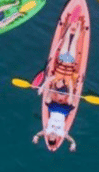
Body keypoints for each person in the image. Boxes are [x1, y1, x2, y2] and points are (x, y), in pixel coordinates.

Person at [32, 20, 85, 152]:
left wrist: (36, 137)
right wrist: (73, 144)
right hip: (63, 110)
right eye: (53, 138)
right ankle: (77, 26)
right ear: (56, 139)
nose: (51, 135)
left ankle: (71, 26)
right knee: (72, 45)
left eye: (49, 137)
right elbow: (70, 139)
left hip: (54, 106)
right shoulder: (62, 134)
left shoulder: (47, 131)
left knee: (48, 101)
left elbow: (39, 134)